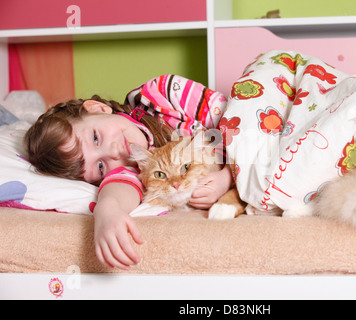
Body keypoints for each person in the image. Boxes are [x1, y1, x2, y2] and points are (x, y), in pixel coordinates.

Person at [24, 74, 233, 270]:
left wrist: (229, 175)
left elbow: (234, 120)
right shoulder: (136, 168)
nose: (114, 152)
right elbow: (119, 185)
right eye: (100, 166)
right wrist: (107, 209)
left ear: (98, 109)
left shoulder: (161, 93)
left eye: (96, 138)